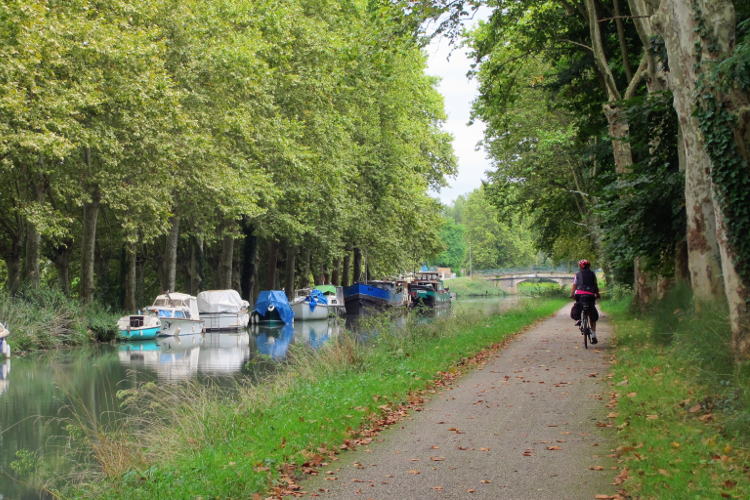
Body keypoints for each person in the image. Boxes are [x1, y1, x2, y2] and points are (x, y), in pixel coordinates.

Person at [570, 259, 600, 344]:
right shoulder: (593, 274)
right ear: (589, 266)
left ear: (580, 266)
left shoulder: (577, 274)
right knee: (592, 314)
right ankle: (593, 335)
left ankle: (579, 319)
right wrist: (597, 294)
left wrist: (572, 294)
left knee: (578, 305)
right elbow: (595, 285)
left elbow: (574, 286)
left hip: (579, 295)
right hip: (590, 295)